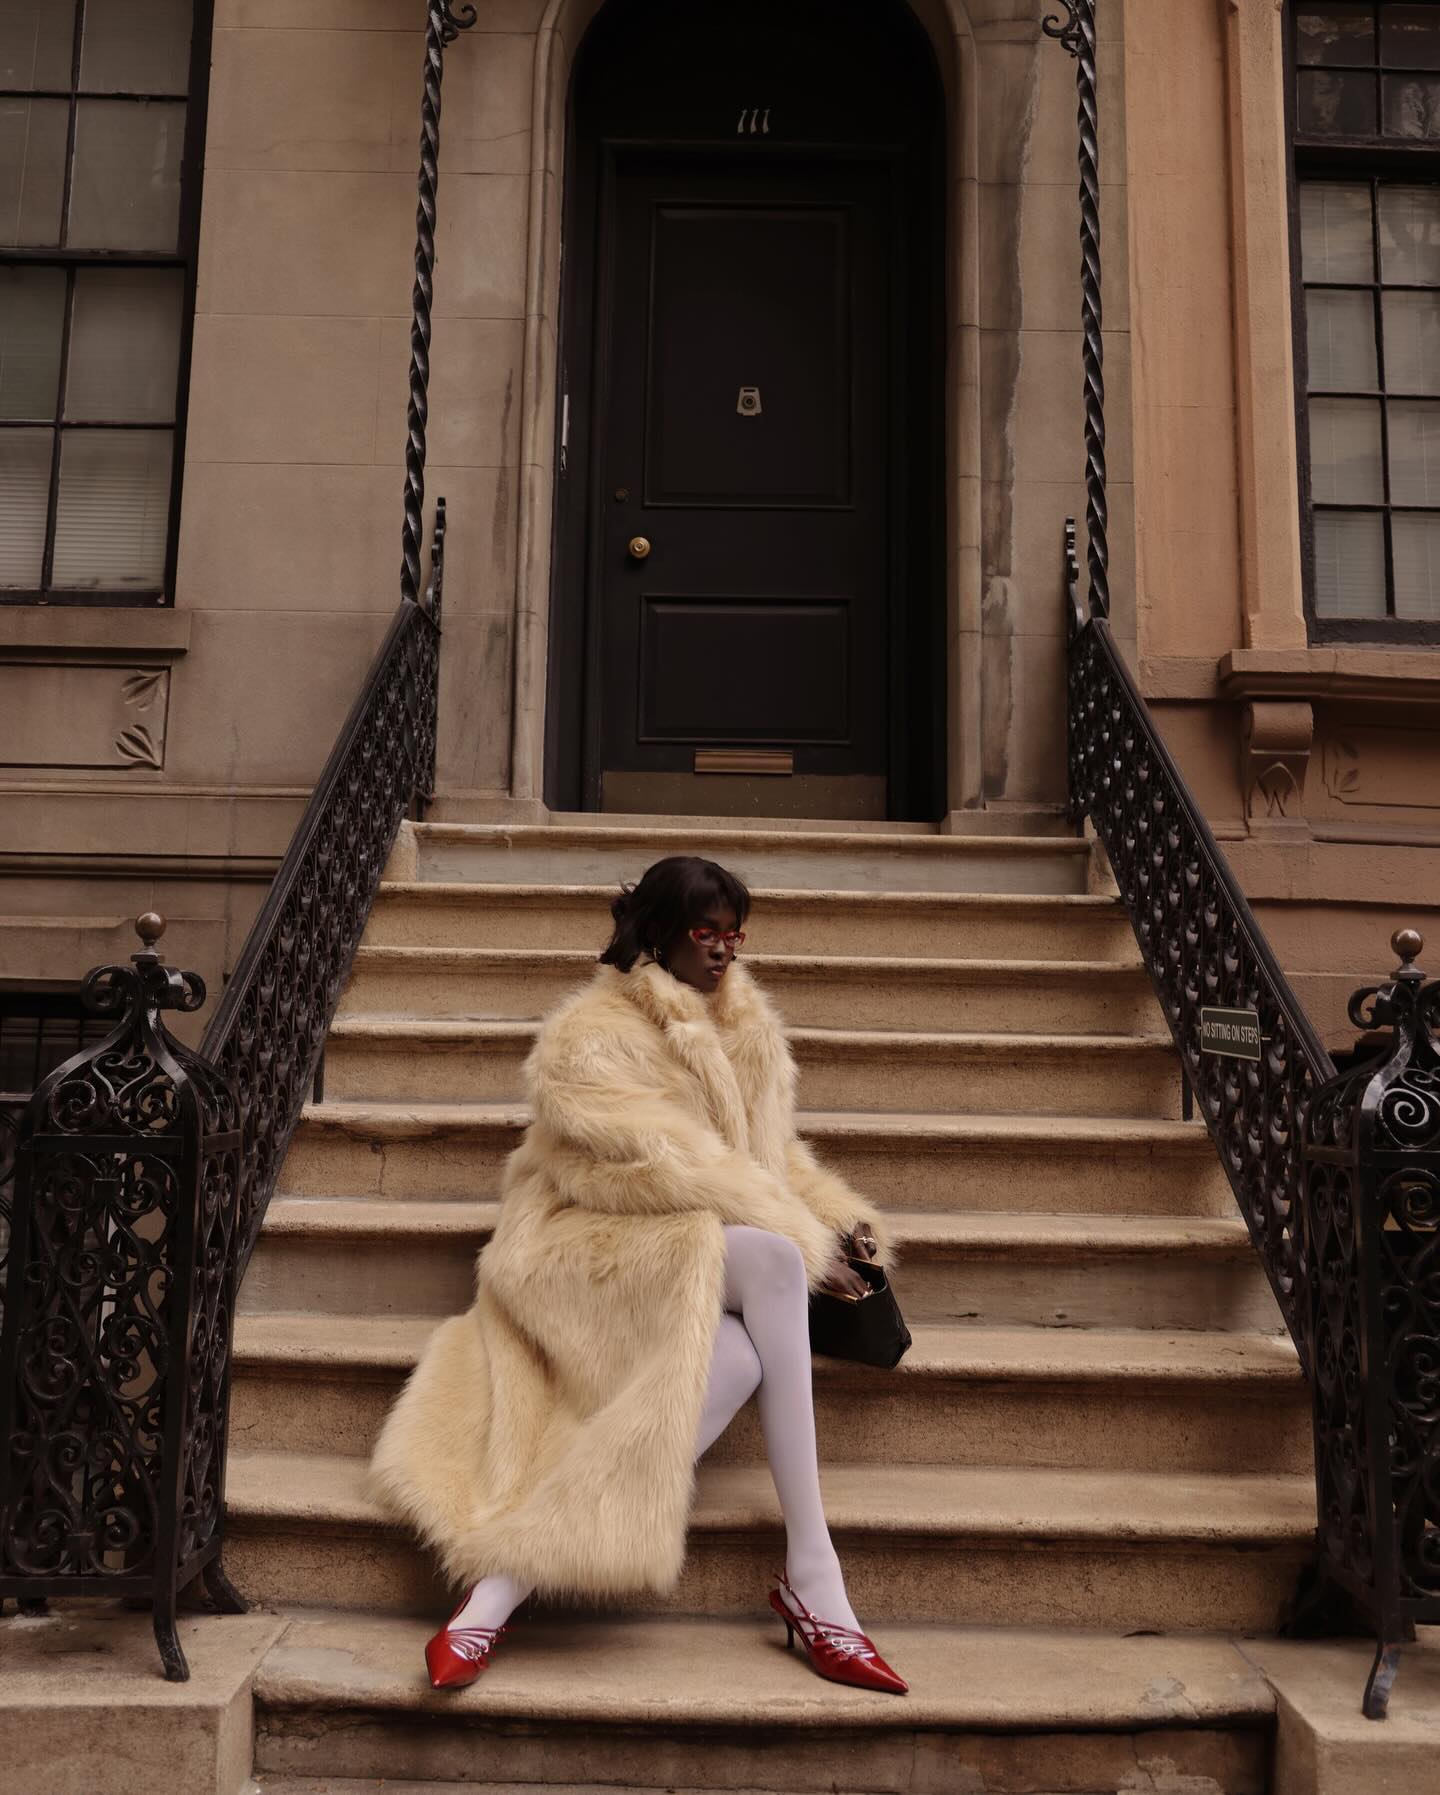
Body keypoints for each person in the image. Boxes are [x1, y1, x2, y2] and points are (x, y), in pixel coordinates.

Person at [369, 853, 907, 1695]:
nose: (726, 951)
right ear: (659, 932)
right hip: (580, 1247)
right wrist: (798, 1236)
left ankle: (493, 1598)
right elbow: (654, 1167)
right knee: (768, 1255)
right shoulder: (588, 1033)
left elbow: (769, 1160)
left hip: (693, 1246)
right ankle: (815, 1572)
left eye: (736, 933)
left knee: (736, 1358)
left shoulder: (749, 1029)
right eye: (707, 933)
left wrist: (838, 1224)